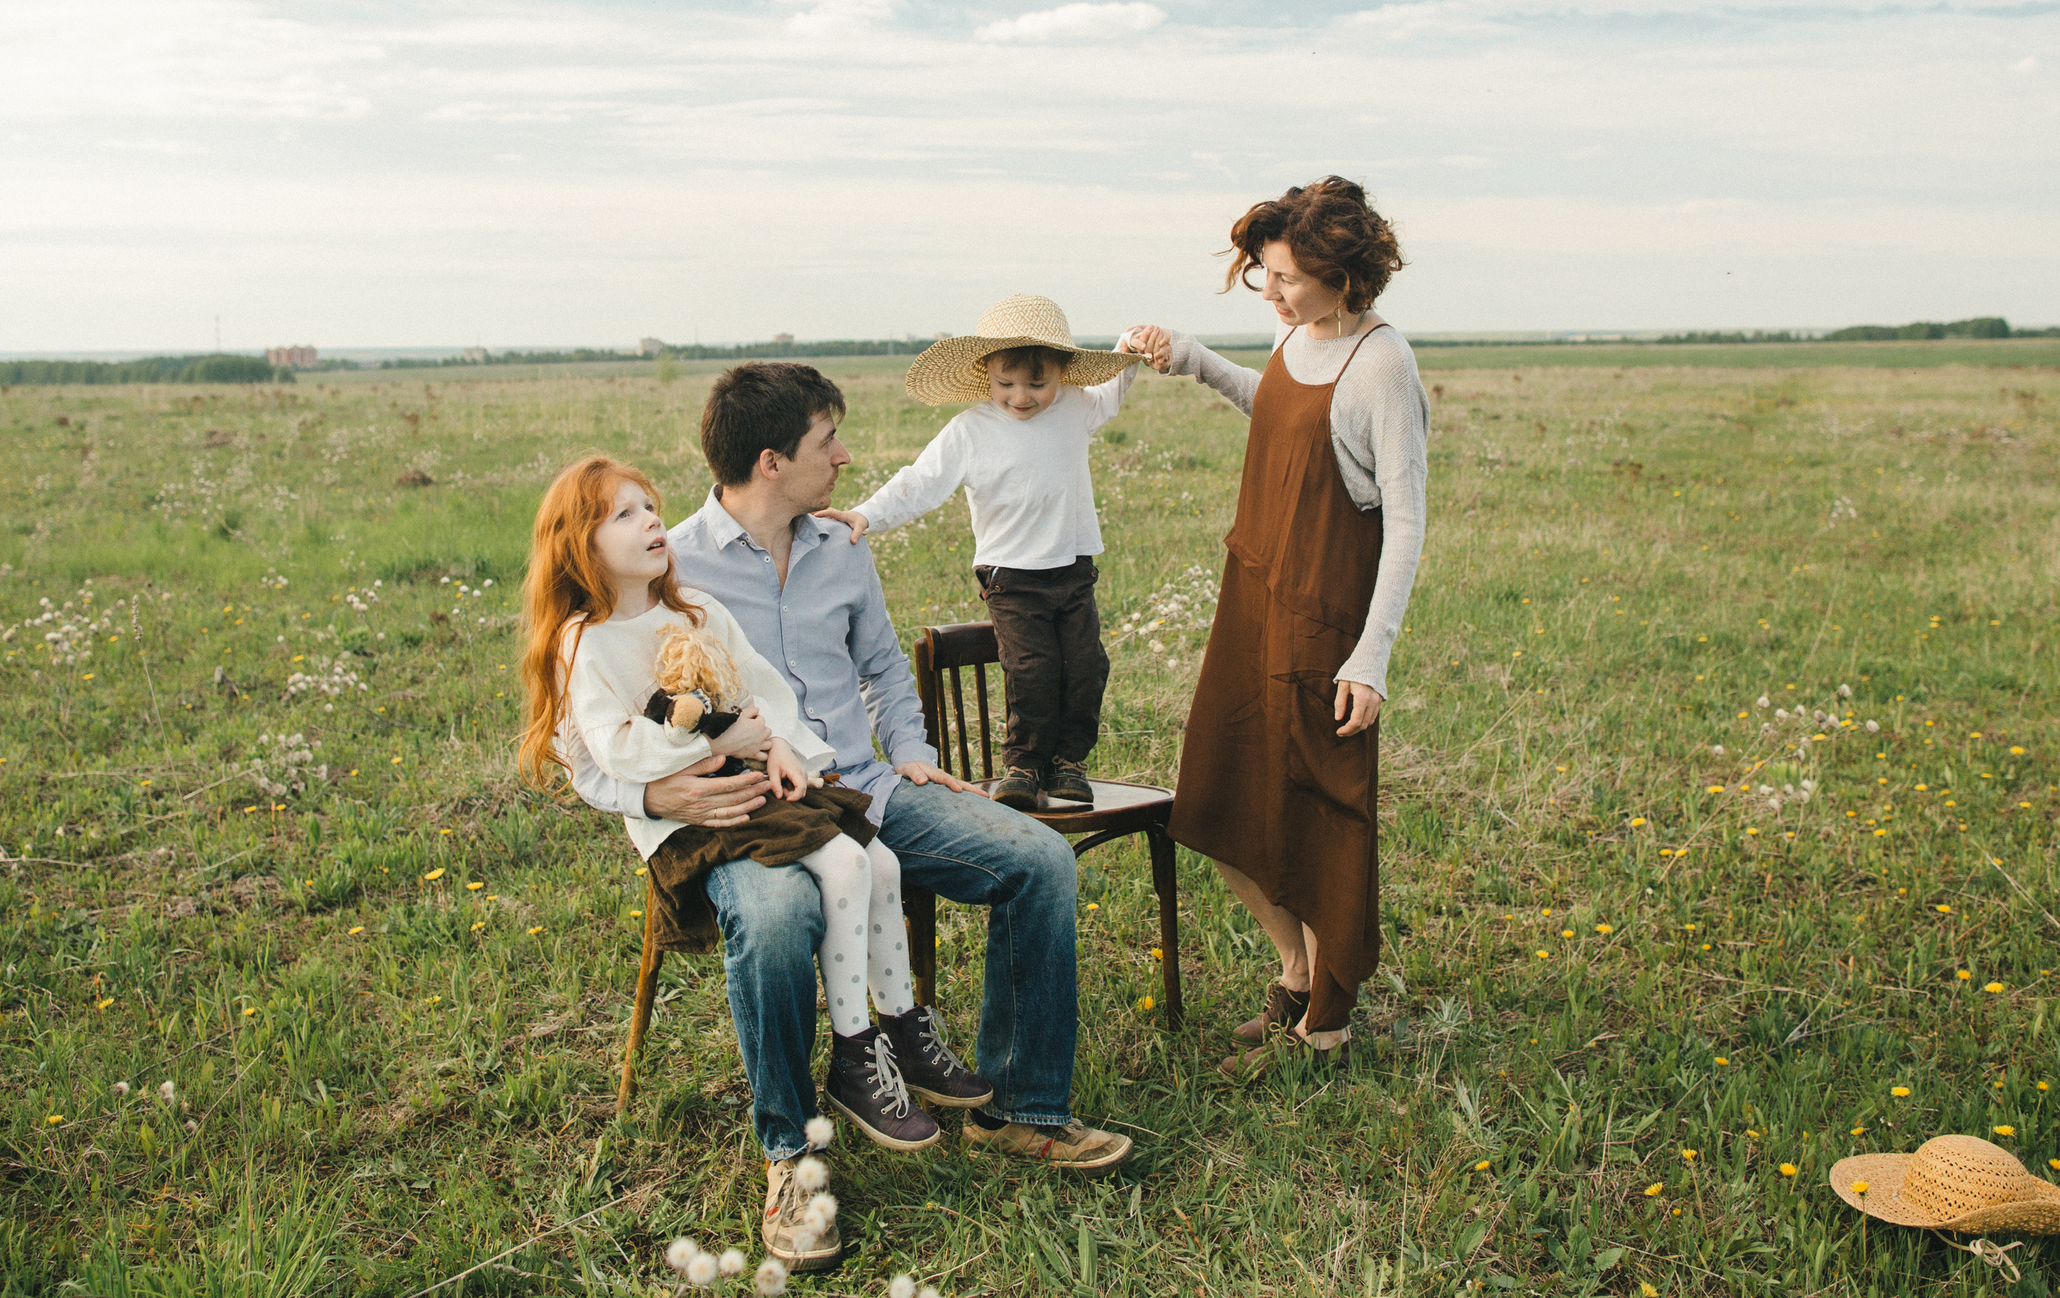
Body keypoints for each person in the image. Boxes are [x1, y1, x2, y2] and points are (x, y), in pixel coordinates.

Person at [559, 362, 1133, 1263]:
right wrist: (653, 791)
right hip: (741, 808)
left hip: (865, 781)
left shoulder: (842, 544)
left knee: (1039, 861)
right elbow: (580, 742)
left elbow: (885, 671)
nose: (847, 458)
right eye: (830, 442)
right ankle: (789, 1157)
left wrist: (914, 749)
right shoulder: (675, 563)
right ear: (772, 460)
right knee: (782, 911)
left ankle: (1020, 1108)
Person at [514, 454, 954, 1156]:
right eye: (623, 514)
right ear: (580, 545)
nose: (652, 520)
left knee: (881, 860)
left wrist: (783, 747)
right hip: (693, 822)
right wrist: (711, 747)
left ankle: (901, 1023)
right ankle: (853, 1047)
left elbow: (763, 691)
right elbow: (613, 750)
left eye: (650, 506)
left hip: (758, 784)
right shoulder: (585, 642)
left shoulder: (695, 610)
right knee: (845, 864)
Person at [1123, 175, 1429, 1074]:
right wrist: (1193, 357)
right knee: (1217, 794)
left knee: (1319, 811)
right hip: (1254, 588)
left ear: (1342, 274)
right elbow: (1282, 408)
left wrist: (1370, 657)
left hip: (1324, 614)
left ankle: (1326, 1021)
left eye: (1287, 275)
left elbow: (1405, 518)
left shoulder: (1383, 362)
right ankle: (1295, 971)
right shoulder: (1301, 333)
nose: (1273, 289)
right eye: (1265, 272)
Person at [822, 293, 1143, 810]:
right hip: (1011, 577)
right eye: (1006, 383)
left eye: (1037, 384)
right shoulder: (971, 430)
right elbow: (920, 482)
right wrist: (866, 514)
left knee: (1086, 666)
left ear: (1062, 373)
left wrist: (1128, 346)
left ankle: (1068, 764)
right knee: (1032, 667)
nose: (1020, 396)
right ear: (985, 373)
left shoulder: (1076, 407)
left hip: (1073, 569)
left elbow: (1113, 387)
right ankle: (1024, 763)